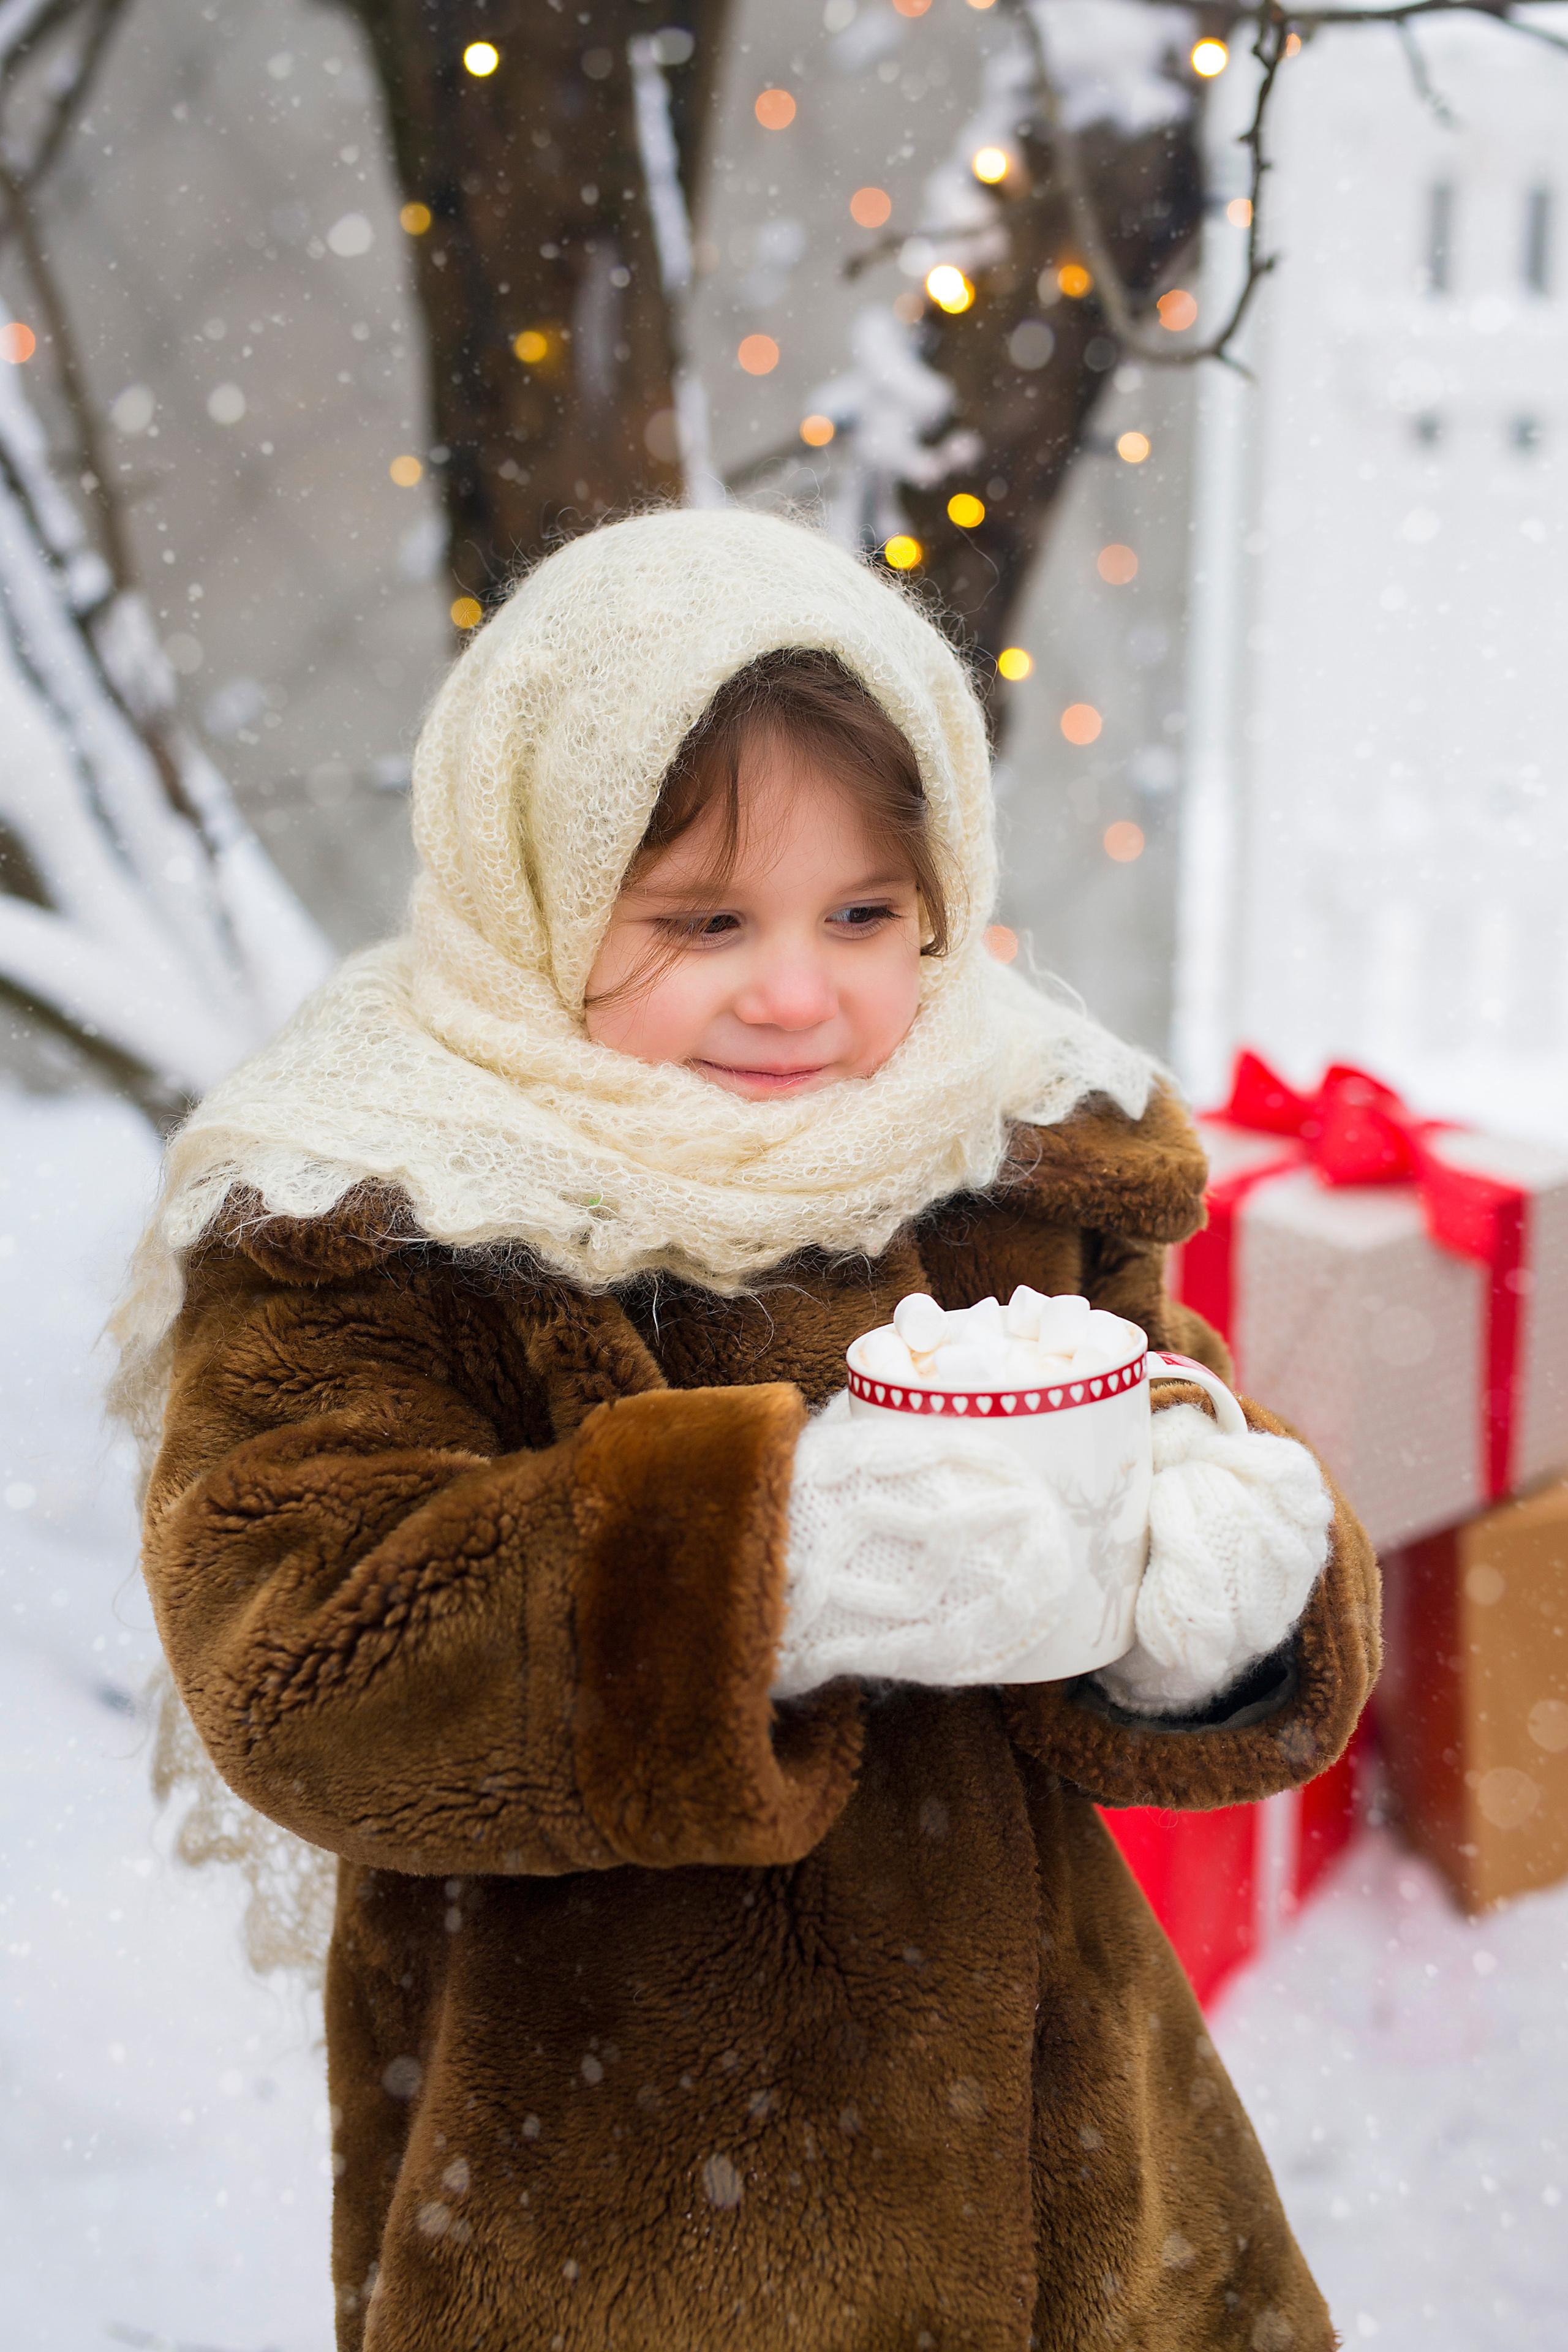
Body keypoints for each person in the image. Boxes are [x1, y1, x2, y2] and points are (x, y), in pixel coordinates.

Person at [116, 508, 1376, 2352]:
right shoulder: (383, 1214)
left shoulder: (991, 1145)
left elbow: (1166, 1418)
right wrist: (762, 1576)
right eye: (704, 923)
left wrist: (1212, 1604)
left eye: (864, 914)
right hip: (611, 2217)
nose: (799, 993)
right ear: (538, 895)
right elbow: (302, 1655)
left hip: (1070, 2181)